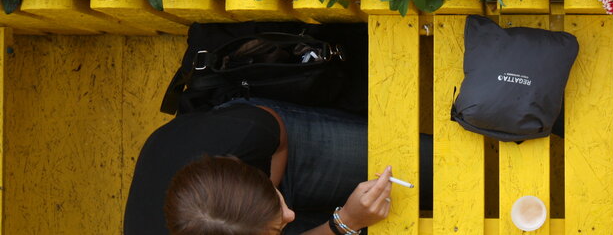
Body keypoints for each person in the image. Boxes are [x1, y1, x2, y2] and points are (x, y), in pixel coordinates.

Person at [124, 98, 433, 235]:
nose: (291, 215)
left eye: (278, 207)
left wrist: (275, 202)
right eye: (276, 229)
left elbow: (279, 136)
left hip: (279, 153)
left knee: (424, 166)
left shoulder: (246, 131)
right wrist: (345, 223)